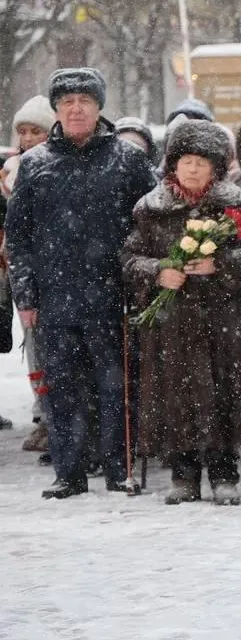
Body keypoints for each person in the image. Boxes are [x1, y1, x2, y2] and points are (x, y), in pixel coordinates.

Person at [6, 68, 157, 498]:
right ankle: (69, 472)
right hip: (55, 299)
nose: (76, 109)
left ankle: (117, 470)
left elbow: (148, 225)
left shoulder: (128, 160)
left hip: (113, 295)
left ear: (99, 108)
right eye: (67, 102)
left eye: (85, 102)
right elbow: (18, 238)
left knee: (115, 389)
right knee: (62, 391)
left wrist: (140, 285)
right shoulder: (35, 164)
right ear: (56, 109)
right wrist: (27, 294)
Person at [121, 120, 241, 505]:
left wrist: (219, 264)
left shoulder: (235, 205)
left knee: (223, 393)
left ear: (216, 168)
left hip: (223, 319)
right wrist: (158, 272)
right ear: (172, 164)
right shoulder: (151, 208)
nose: (191, 169)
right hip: (173, 321)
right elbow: (130, 257)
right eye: (185, 160)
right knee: (177, 394)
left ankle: (224, 473)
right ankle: (183, 474)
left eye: (201, 162)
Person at [4, 95, 55, 448]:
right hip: (19, 270)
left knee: (55, 346)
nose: (27, 137)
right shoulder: (9, 171)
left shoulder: (55, 165)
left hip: (53, 267)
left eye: (35, 130)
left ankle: (57, 416)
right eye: (22, 131)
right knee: (33, 344)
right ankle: (43, 410)